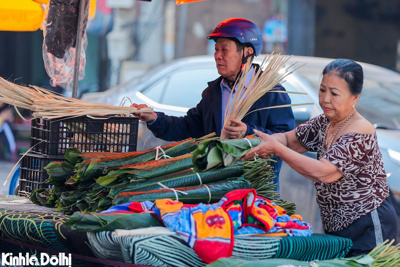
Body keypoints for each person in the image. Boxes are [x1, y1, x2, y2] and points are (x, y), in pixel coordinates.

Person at [243, 58, 398, 256]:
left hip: (368, 223)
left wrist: (277, 149)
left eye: (334, 93)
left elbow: (324, 173)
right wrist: (252, 138)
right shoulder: (325, 122)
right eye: (322, 89)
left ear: (355, 98)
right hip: (336, 224)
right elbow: (290, 140)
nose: (325, 99)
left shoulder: (360, 131)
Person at [132, 18, 295, 189]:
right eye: (216, 49)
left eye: (224, 49)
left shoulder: (271, 93)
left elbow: (286, 140)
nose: (218, 55)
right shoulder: (213, 92)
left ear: (247, 52)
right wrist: (153, 118)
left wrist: (248, 133)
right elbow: (187, 127)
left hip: (256, 193)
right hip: (217, 191)